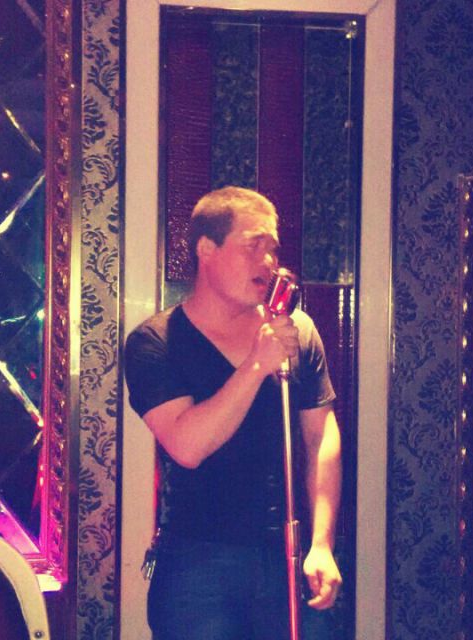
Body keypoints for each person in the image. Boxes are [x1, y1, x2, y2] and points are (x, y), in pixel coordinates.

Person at [125, 186, 342, 640]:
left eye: (274, 249)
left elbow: (320, 437)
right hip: (198, 562)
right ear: (207, 248)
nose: (268, 261)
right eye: (253, 245)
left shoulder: (296, 331)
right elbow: (187, 446)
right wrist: (257, 365)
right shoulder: (156, 341)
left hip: (284, 552)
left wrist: (322, 542)